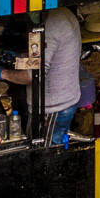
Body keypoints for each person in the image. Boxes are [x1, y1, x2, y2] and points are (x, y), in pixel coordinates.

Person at [42, 8, 85, 148]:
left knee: (48, 156)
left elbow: (34, 75)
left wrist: (3, 73)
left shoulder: (52, 25)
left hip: (55, 108)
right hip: (66, 101)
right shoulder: (66, 13)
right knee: (59, 147)